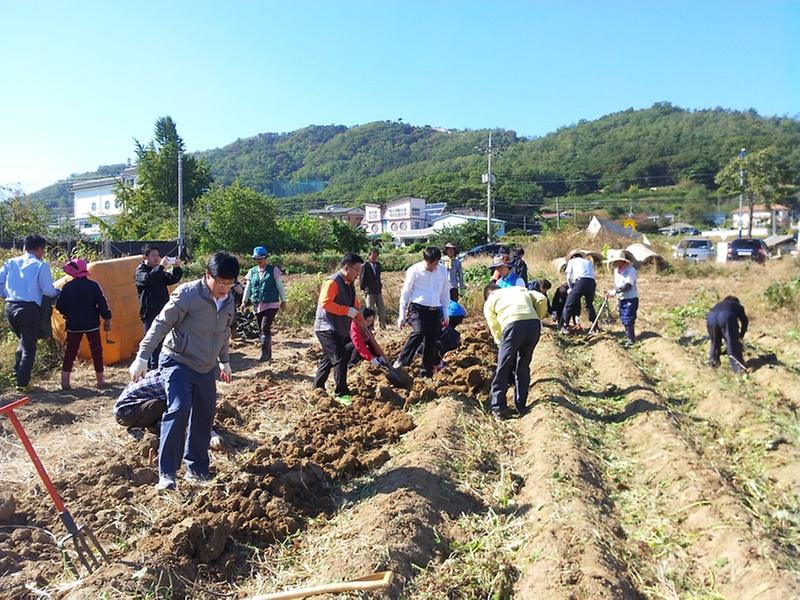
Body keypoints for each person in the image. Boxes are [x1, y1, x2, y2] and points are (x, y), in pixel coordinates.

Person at [129, 252, 239, 491]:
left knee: (204, 414)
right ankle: (167, 474)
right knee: (179, 408)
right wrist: (143, 356)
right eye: (221, 282)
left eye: (230, 283)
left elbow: (223, 332)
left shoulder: (228, 300)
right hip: (178, 361)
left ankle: (197, 470)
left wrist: (224, 360)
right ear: (207, 275)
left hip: (205, 366)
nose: (225, 288)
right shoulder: (188, 294)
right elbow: (161, 324)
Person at [0, 235, 59, 391]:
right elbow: (48, 290)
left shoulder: (10, 262)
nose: (44, 253)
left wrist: (5, 294)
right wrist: (57, 292)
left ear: (24, 247)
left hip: (10, 307)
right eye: (44, 250)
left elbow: (0, 281)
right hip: (28, 309)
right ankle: (23, 384)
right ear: (39, 248)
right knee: (29, 348)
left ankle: (17, 375)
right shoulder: (40, 265)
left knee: (24, 341)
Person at [483, 283, 549, 418]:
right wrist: (538, 317)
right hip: (533, 326)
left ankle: (498, 407)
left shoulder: (491, 300)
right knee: (523, 365)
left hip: (513, 326)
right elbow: (542, 298)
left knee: (503, 366)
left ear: (488, 295)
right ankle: (521, 405)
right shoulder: (519, 290)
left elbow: (494, 325)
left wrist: (500, 342)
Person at [113, 369, 223, 448]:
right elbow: (186, 407)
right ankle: (136, 427)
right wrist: (209, 432)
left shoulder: (173, 372)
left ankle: (153, 424)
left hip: (138, 405)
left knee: (164, 405)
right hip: (125, 413)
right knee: (159, 405)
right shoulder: (173, 382)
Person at [313, 253, 365, 400]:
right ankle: (341, 393)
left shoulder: (349, 284)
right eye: (357, 270)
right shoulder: (333, 282)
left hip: (337, 328)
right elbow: (325, 303)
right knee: (340, 357)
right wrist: (346, 311)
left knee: (328, 359)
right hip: (325, 327)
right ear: (347, 268)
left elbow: (355, 306)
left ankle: (317, 388)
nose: (358, 274)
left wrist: (362, 323)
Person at [55, 259, 112, 390]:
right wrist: (107, 318)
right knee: (97, 351)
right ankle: (100, 381)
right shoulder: (93, 286)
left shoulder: (67, 287)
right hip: (92, 323)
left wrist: (68, 313)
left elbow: (59, 306)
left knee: (70, 352)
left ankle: (65, 382)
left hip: (73, 324)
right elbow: (102, 304)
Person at [395, 247, 451, 377]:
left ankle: (426, 372)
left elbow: (444, 292)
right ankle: (400, 362)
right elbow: (406, 292)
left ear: (438, 261)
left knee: (431, 341)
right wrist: (401, 315)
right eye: (429, 264)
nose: (431, 267)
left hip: (434, 309)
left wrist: (445, 312)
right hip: (417, 307)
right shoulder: (414, 270)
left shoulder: (442, 271)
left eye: (434, 264)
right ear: (424, 259)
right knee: (418, 332)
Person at [135, 244, 183, 370]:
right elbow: (147, 279)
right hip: (149, 312)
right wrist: (161, 267)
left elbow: (173, 279)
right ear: (145, 257)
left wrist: (177, 267)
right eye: (153, 255)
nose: (156, 258)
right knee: (152, 341)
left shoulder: (158, 271)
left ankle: (160, 367)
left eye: (158, 255)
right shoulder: (141, 271)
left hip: (162, 311)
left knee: (164, 341)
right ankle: (152, 368)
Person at [242, 246, 286, 362]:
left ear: (266, 258)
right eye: (256, 259)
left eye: (261, 258)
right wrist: (244, 302)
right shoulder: (252, 272)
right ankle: (268, 354)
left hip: (271, 303)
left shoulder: (274, 270)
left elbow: (280, 286)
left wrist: (283, 300)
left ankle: (264, 354)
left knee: (265, 327)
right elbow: (248, 288)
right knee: (262, 330)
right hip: (257, 304)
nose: (259, 260)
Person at [706, 296, 749, 373]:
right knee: (731, 343)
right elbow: (744, 321)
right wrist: (740, 335)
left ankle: (713, 363)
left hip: (711, 317)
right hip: (726, 315)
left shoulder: (718, 304)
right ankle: (738, 368)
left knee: (714, 342)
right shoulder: (737, 305)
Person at [605, 250, 639, 346]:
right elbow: (617, 285)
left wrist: (615, 291)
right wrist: (612, 292)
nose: (615, 263)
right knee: (623, 318)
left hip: (630, 298)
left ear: (622, 261)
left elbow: (628, 285)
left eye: (616, 261)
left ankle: (631, 340)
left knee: (628, 318)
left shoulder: (630, 270)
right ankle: (628, 337)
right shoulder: (617, 271)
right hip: (622, 298)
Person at [561, 250, 597, 334]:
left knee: (569, 304)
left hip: (581, 281)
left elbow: (569, 277)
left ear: (572, 257)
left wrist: (570, 288)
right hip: (591, 282)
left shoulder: (572, 261)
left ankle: (565, 326)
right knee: (589, 304)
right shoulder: (588, 262)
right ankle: (595, 326)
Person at [359, 248, 387, 329]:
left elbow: (378, 277)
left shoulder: (378, 265)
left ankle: (383, 326)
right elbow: (362, 278)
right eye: (373, 256)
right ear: (369, 256)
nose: (374, 257)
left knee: (381, 309)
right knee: (370, 310)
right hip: (369, 291)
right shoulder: (365, 265)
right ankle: (370, 328)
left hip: (378, 290)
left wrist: (380, 286)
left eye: (376, 256)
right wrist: (363, 289)